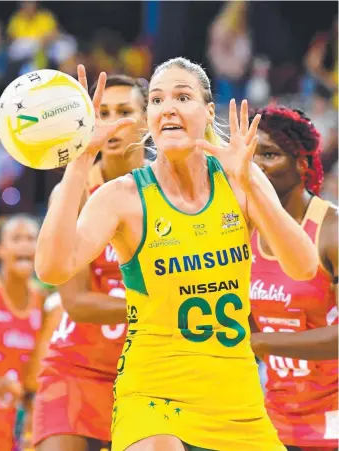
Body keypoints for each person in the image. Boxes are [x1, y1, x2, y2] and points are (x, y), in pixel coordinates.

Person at [35, 57, 319, 451]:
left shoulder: (240, 179)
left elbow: (304, 266)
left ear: (207, 112)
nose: (167, 107)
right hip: (154, 396)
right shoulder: (123, 196)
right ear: (150, 118)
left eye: (182, 96)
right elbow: (51, 268)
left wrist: (252, 187)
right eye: (156, 99)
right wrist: (81, 159)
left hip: (237, 402)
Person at [32, 75, 148, 451]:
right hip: (77, 367)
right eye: (102, 113)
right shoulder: (75, 191)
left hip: (149, 370)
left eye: (124, 112)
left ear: (147, 119)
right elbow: (77, 303)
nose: (112, 123)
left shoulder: (173, 187)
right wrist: (162, 308)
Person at [247, 106, 338, 451]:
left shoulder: (331, 230)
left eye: (270, 154)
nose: (257, 166)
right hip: (276, 413)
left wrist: (260, 344)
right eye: (251, 155)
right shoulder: (245, 230)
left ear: (302, 163)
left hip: (332, 414)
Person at [0, 214, 50, 451]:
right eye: (17, 238)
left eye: (32, 238)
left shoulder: (42, 301)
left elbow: (34, 373)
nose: (26, 244)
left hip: (6, 432)